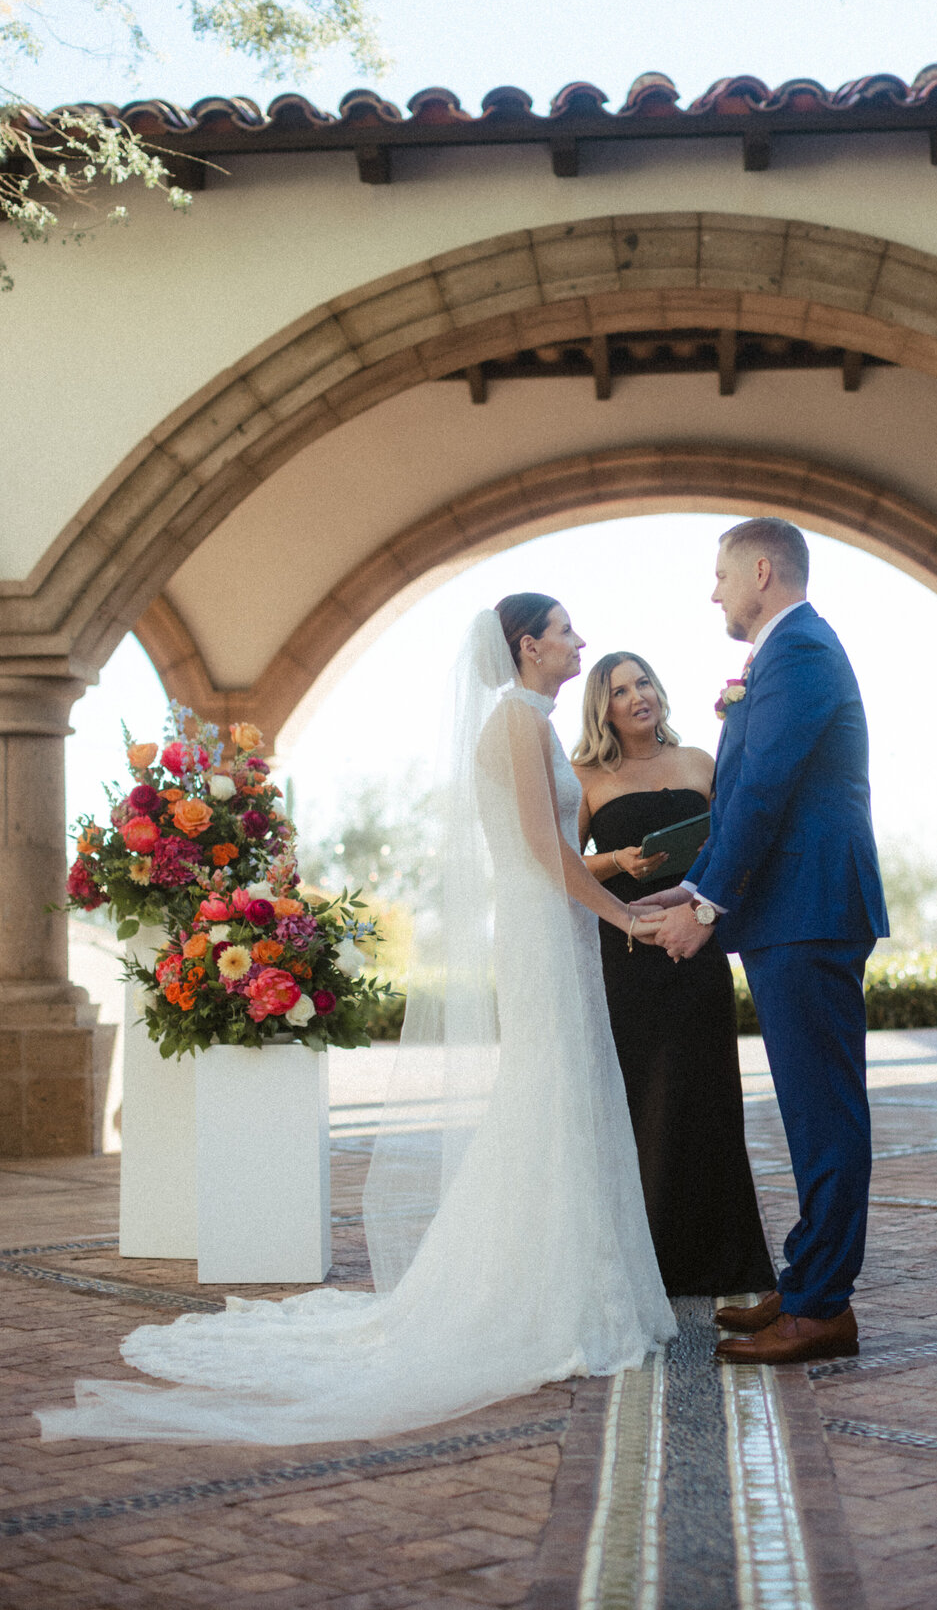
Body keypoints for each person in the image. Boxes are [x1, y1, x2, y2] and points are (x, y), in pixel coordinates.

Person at [37, 596, 675, 1446]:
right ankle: (545, 1294)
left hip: (552, 922)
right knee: (552, 1090)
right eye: (565, 630)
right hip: (541, 929)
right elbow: (538, 850)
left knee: (564, 1090)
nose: (580, 641)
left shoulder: (536, 722)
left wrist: (623, 887)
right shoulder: (518, 723)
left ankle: (573, 1281)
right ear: (528, 646)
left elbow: (556, 850)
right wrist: (626, 917)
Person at [634, 519, 888, 1366]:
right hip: (792, 910)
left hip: (809, 910)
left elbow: (767, 791)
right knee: (812, 1107)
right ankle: (811, 1276)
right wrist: (690, 881)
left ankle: (823, 1310)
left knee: (824, 1111)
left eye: (720, 574)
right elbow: (738, 795)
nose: (714, 591)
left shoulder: (801, 651)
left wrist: (704, 907)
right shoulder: (786, 654)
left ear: (764, 570)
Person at [572, 652, 775, 1297]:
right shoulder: (584, 778)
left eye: (644, 683)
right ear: (601, 709)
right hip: (626, 952)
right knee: (641, 1100)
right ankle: (647, 1263)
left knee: (706, 1093)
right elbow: (560, 865)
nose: (638, 697)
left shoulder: (697, 763)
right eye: (619, 691)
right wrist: (617, 862)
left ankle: (722, 1258)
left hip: (696, 944)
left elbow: (734, 842)